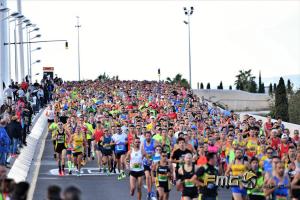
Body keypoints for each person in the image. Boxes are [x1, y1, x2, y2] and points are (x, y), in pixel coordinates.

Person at [141, 131, 156, 199]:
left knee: (152, 180)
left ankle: (150, 190)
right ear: (145, 136)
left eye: (149, 136)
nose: (148, 137)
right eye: (146, 136)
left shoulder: (154, 142)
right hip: (146, 163)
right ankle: (149, 192)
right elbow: (142, 153)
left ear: (151, 136)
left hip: (153, 163)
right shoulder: (143, 143)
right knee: (147, 176)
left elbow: (158, 150)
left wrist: (154, 154)